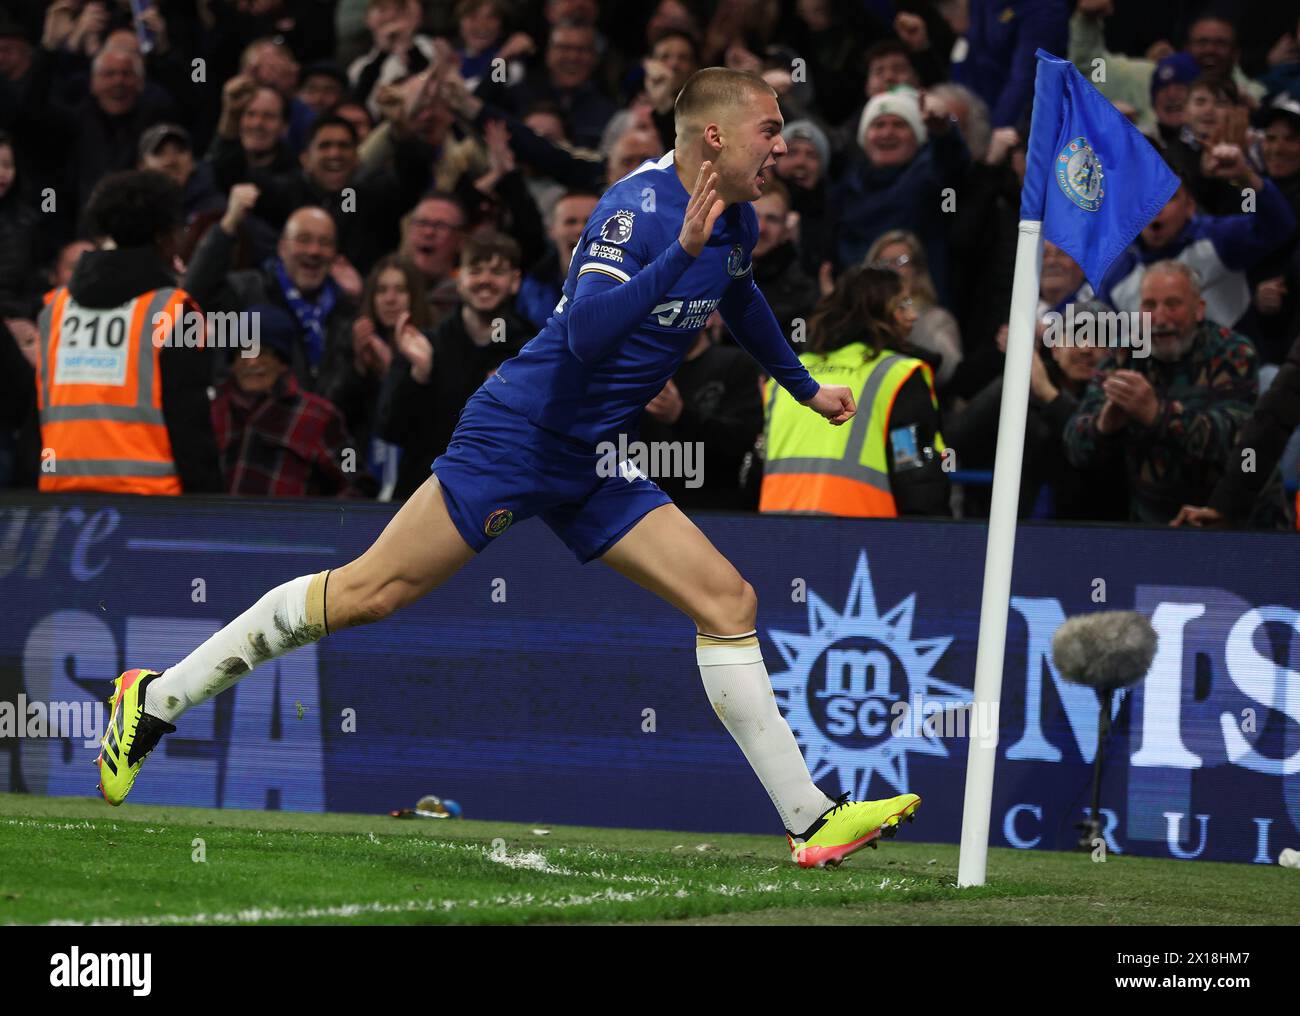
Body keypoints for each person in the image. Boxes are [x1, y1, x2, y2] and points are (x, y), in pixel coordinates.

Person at [96, 68, 921, 871]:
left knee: (728, 600)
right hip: (519, 436)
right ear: (716, 135)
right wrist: (678, 255)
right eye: (769, 129)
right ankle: (156, 699)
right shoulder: (633, 214)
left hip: (592, 457)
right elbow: (588, 334)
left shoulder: (733, 215)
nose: (780, 146)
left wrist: (806, 387)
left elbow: (736, 292)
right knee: (370, 593)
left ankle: (812, 821)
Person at [1065, 261, 1291, 527]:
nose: (1160, 319)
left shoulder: (1233, 353)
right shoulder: (1122, 357)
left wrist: (1157, 414)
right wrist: (1103, 427)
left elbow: (1237, 443)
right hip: (1154, 524)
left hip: (1237, 520)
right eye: (1150, 306)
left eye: (1173, 305)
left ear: (1199, 310)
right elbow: (1075, 447)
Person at [34, 170, 220, 495]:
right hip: (150, 502)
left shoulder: (55, 308)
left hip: (62, 497)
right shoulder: (174, 311)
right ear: (163, 236)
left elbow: (37, 411)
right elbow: (189, 422)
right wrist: (209, 509)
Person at [760, 264, 949, 518]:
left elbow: (754, 470)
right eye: (902, 304)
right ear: (876, 311)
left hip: (773, 536)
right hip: (861, 539)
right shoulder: (899, 373)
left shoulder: (787, 375)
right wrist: (932, 540)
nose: (913, 315)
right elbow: (915, 472)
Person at [376, 232, 532, 500]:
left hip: (500, 502)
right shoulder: (424, 345)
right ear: (458, 279)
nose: (485, 280)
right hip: (420, 498)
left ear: (515, 281)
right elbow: (389, 430)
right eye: (476, 270)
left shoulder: (531, 351)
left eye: (497, 272)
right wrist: (419, 375)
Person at [212, 304, 369, 499]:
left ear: (282, 361)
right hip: (215, 527)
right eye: (242, 351)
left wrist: (322, 524)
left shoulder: (320, 416)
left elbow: (356, 478)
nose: (251, 362)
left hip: (290, 528)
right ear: (232, 362)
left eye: (263, 352)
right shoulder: (212, 413)